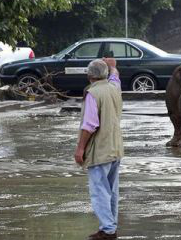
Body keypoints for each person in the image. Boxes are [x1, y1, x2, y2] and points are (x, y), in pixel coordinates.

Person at [74, 58, 124, 240]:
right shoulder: (114, 88)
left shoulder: (93, 94)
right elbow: (116, 77)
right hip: (116, 148)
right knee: (111, 191)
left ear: (89, 75)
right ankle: (110, 227)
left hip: (100, 150)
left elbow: (89, 126)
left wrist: (80, 149)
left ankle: (108, 229)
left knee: (99, 191)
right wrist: (113, 67)